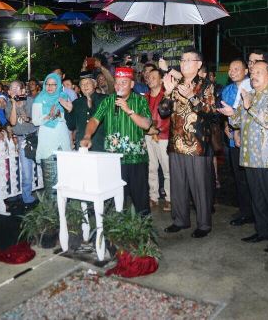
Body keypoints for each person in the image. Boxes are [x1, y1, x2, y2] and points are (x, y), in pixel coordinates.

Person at [221, 61, 268, 253]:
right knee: (258, 198)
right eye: (252, 72)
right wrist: (231, 114)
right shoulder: (249, 95)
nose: (254, 75)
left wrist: (250, 106)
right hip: (251, 156)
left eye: (259, 72)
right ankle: (264, 231)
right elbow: (237, 122)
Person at [80, 67, 152, 215]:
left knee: (141, 199)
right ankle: (117, 233)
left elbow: (146, 124)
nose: (119, 86)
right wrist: (87, 136)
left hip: (136, 160)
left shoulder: (140, 100)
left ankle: (145, 233)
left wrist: (129, 110)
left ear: (132, 84)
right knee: (116, 200)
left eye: (124, 82)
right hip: (113, 161)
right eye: (117, 83)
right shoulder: (108, 101)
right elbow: (94, 120)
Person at [161, 48, 216, 238]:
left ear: (198, 64)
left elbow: (211, 112)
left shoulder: (206, 85)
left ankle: (204, 224)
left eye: (188, 60)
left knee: (200, 186)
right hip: (176, 143)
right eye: (182, 60)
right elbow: (163, 111)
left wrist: (192, 97)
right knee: (178, 185)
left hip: (197, 145)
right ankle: (180, 220)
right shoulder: (175, 85)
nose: (183, 64)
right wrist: (168, 93)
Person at [221, 58, 254, 226]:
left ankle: (254, 211)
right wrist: (227, 125)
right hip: (234, 141)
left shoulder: (252, 87)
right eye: (230, 69)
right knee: (239, 177)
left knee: (252, 179)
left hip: (251, 141)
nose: (232, 72)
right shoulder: (227, 90)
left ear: (246, 71)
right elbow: (227, 113)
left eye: (236, 68)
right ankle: (245, 210)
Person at [32, 73, 72, 193]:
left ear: (58, 85)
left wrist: (60, 115)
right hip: (47, 139)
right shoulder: (39, 98)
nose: (50, 87)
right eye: (47, 84)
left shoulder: (64, 96)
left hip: (63, 137)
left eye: (53, 84)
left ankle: (66, 205)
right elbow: (35, 121)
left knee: (65, 174)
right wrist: (49, 116)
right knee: (50, 176)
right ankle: (51, 207)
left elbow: (69, 119)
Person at [7, 80, 39, 209]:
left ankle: (51, 193)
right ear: (9, 92)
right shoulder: (9, 105)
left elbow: (36, 120)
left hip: (35, 136)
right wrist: (14, 104)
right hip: (21, 139)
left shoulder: (30, 101)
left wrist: (28, 118)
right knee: (26, 170)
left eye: (17, 88)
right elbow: (13, 123)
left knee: (42, 164)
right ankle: (27, 198)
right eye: (12, 88)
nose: (15, 90)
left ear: (22, 90)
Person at [144, 68, 171, 212]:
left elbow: (169, 117)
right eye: (148, 77)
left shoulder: (166, 95)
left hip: (163, 137)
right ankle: (153, 197)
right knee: (151, 168)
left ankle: (170, 198)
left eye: (154, 77)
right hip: (148, 136)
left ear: (161, 80)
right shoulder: (145, 97)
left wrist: (159, 130)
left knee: (167, 169)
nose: (150, 79)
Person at [66, 73, 106, 151]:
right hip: (82, 147)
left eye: (88, 83)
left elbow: (102, 120)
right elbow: (71, 126)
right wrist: (69, 112)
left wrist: (91, 106)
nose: (85, 86)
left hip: (100, 146)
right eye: (82, 84)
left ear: (94, 84)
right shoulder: (76, 103)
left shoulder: (104, 100)